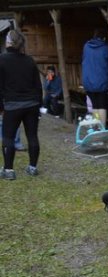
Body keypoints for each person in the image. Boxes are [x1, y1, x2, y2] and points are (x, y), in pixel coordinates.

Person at [0, 30, 42, 180]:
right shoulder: (29, 60)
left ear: (9, 42)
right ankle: (33, 167)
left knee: (8, 137)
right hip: (32, 104)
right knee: (32, 136)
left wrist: (1, 107)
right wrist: (39, 105)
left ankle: (9, 170)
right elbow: (38, 86)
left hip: (12, 105)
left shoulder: (2, 59)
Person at [81, 28, 108, 126]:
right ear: (104, 38)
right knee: (102, 105)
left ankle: (96, 127)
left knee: (94, 106)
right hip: (101, 81)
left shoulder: (86, 46)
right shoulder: (106, 48)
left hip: (88, 81)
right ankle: (102, 128)